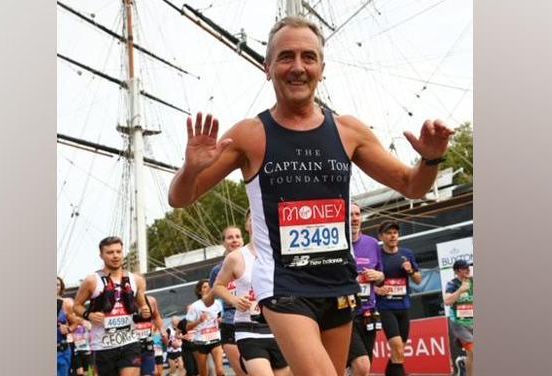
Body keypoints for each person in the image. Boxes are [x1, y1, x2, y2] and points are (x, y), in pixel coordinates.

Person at [167, 15, 453, 376]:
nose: (298, 67)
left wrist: (431, 157)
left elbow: (413, 185)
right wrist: (191, 168)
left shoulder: (349, 131)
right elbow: (180, 198)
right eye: (286, 57)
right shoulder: (250, 135)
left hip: (338, 283)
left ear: (322, 68)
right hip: (283, 284)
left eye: (308, 57)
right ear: (267, 67)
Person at [204, 209, 290, 376]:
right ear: (247, 225)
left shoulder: (280, 253)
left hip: (278, 327)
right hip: (247, 328)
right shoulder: (235, 259)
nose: (258, 222)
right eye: (253, 219)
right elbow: (218, 286)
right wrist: (234, 300)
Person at [72, 236, 154, 376]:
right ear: (101, 255)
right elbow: (76, 306)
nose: (115, 256)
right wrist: (89, 315)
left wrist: (145, 311)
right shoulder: (92, 281)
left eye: (118, 251)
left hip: (130, 342)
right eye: (110, 252)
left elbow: (143, 307)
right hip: (103, 346)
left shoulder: (137, 280)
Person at [374, 221, 422, 376]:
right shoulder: (377, 255)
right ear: (381, 236)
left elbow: (418, 280)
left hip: (404, 306)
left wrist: (410, 271)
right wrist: (377, 289)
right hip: (385, 307)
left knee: (398, 353)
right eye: (388, 233)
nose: (393, 235)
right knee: (397, 347)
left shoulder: (406, 253)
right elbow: (366, 280)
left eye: (395, 232)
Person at [347, 203, 385, 376]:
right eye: (350, 215)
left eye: (357, 214)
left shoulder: (372, 244)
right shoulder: (336, 244)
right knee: (361, 365)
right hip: (344, 314)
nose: (354, 218)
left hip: (368, 314)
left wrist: (378, 276)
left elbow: (381, 278)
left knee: (364, 366)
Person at [208, 226, 246, 376]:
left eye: (238, 236)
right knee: (243, 371)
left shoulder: (257, 261)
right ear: (223, 243)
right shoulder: (217, 271)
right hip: (231, 322)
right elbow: (209, 299)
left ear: (243, 240)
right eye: (230, 237)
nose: (235, 240)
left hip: (259, 321)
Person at [185, 280, 225, 376]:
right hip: (200, 342)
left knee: (220, 371)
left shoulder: (218, 303)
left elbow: (221, 318)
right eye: (204, 287)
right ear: (199, 291)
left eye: (209, 286)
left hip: (215, 340)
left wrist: (220, 321)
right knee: (203, 373)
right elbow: (187, 327)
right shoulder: (194, 306)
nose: (208, 288)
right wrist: (199, 321)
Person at [444, 260, 474, 376]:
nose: (467, 269)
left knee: (471, 355)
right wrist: (461, 290)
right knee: (473, 351)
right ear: (456, 271)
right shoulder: (452, 284)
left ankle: (462, 364)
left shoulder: (473, 281)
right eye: (463, 268)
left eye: (468, 267)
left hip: (473, 322)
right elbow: (447, 301)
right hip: (459, 324)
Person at [134, 293, 165, 376]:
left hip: (148, 347)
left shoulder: (151, 300)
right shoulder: (124, 301)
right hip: (131, 348)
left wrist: (162, 329)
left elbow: (156, 316)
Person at [58, 276, 77, 376]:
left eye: (57, 285)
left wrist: (68, 329)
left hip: (62, 350)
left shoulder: (66, 303)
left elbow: (76, 322)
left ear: (61, 287)